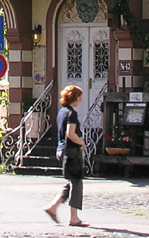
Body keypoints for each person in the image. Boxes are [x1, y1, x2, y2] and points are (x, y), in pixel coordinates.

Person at [44, 85, 88, 228]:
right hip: (72, 152)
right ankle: (74, 218)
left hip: (61, 150)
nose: (81, 101)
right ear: (74, 97)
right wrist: (82, 142)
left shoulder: (62, 112)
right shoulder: (72, 114)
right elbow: (71, 134)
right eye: (79, 97)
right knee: (77, 183)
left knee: (71, 182)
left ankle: (53, 206)